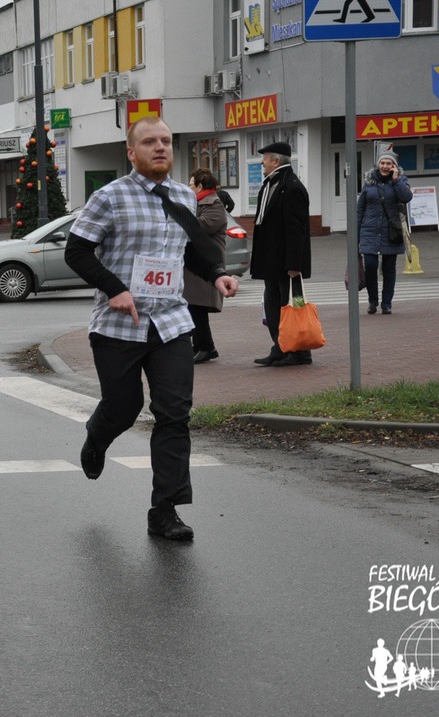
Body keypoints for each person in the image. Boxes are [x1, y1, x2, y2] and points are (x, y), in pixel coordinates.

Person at [63, 116, 238, 541]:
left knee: (174, 414)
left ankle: (165, 510)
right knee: (123, 408)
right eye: (149, 142)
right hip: (118, 325)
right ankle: (97, 436)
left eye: (165, 141)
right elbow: (76, 251)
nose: (160, 147)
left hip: (171, 322)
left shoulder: (183, 195)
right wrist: (115, 288)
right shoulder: (109, 197)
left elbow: (192, 249)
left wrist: (217, 274)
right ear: (131, 152)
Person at [249, 141, 312, 367]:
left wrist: (294, 264)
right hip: (271, 261)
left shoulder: (291, 187)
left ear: (275, 161)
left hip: (286, 263)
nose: (262, 163)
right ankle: (281, 347)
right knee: (273, 305)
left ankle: (299, 352)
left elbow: (297, 230)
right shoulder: (270, 184)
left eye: (265, 159)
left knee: (291, 306)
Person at [357, 151, 411, 315]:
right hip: (369, 231)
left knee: (389, 268)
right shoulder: (369, 183)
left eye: (389, 163)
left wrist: (396, 180)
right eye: (383, 163)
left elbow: (406, 197)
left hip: (391, 232)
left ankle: (386, 303)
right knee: (370, 265)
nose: (385, 166)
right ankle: (372, 301)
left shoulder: (401, 181)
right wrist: (355, 234)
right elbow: (360, 209)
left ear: (394, 166)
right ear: (378, 164)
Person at [185, 169, 228, 364]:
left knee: (198, 307)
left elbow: (201, 227)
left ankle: (207, 347)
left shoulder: (214, 204)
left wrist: (182, 216)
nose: (189, 188)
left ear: (200, 186)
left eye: (191, 185)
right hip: (197, 262)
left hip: (208, 262)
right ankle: (199, 345)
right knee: (194, 305)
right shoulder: (199, 203)